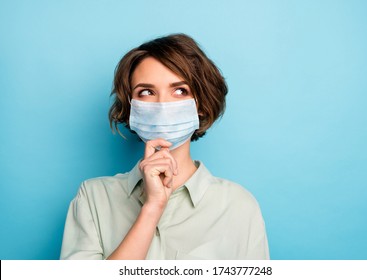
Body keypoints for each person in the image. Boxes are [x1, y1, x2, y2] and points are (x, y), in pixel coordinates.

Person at [60, 34, 269, 260]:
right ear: (131, 108)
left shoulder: (238, 206)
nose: (162, 105)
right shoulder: (93, 198)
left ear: (201, 104)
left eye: (180, 90)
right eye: (146, 92)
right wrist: (152, 209)